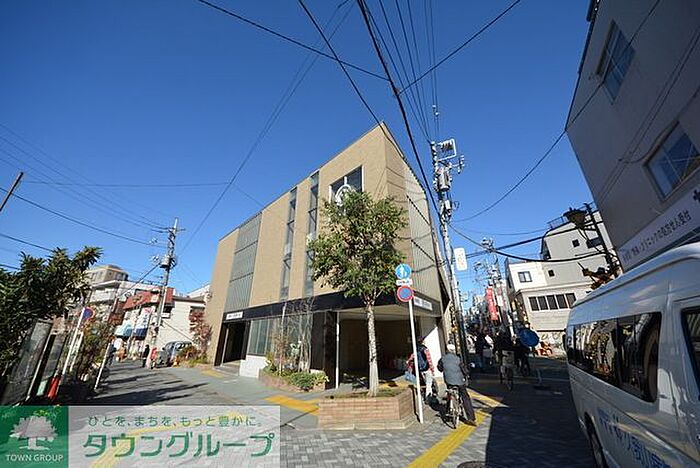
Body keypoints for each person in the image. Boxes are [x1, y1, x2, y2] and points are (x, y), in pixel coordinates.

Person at [438, 343, 476, 424]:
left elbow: (440, 368)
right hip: (459, 381)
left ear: (447, 350)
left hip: (448, 381)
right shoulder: (458, 359)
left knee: (449, 394)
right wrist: (467, 373)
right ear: (453, 351)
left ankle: (448, 413)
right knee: (465, 397)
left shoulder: (442, 359)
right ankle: (471, 418)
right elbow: (464, 369)